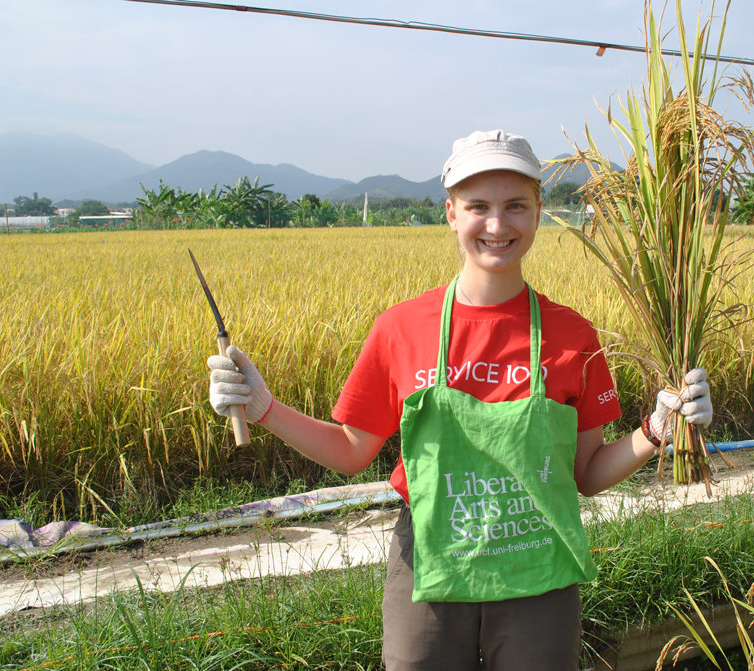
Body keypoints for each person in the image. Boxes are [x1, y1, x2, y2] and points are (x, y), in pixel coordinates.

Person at [206, 129, 714, 670]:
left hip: (537, 564)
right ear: (451, 213)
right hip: (428, 558)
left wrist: (658, 428)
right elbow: (353, 449)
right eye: (478, 207)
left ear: (538, 211)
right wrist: (263, 407)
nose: (497, 225)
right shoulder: (402, 328)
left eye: (515, 206)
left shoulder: (573, 336)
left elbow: (585, 474)